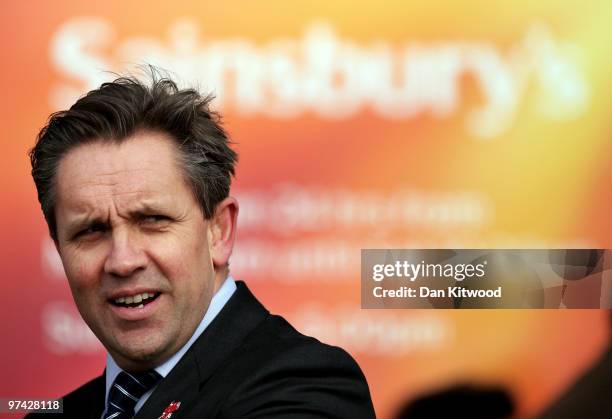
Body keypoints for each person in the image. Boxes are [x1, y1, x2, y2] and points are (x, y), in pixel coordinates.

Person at [27, 69, 375, 418]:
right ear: (59, 248)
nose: (122, 261)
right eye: (90, 231)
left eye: (152, 220)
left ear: (219, 232)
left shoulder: (306, 386)